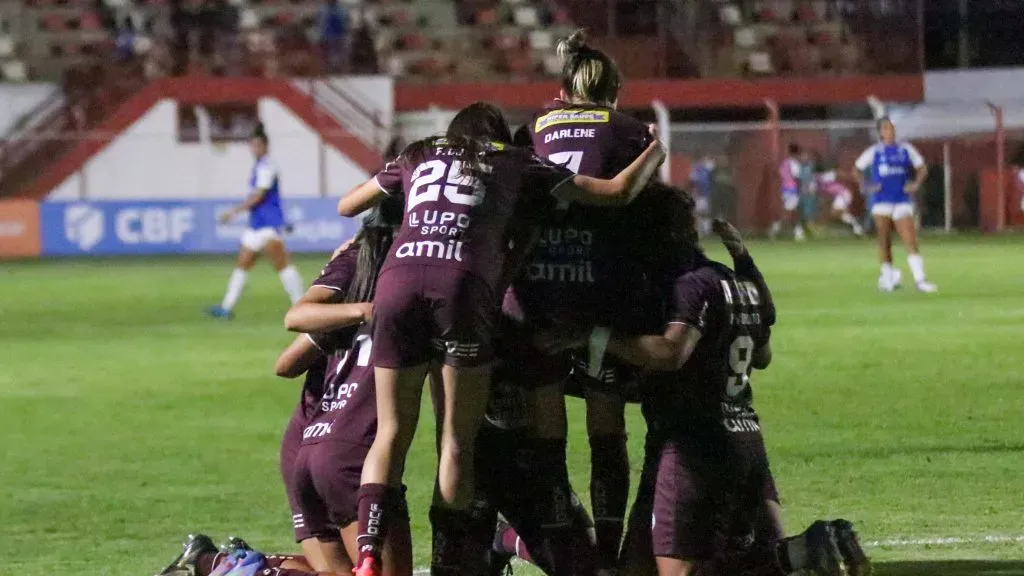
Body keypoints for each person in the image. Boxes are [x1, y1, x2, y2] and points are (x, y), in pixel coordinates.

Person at [336, 101, 664, 576]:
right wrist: (654, 149)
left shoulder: (419, 152)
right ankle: (453, 554)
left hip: (398, 280)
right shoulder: (514, 160)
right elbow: (614, 192)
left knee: (391, 432)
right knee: (455, 442)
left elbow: (348, 205)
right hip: (461, 287)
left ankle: (367, 553)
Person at [514, 29, 662, 574]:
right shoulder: (629, 131)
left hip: (538, 290)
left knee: (549, 434)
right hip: (601, 288)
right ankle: (606, 550)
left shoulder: (533, 128)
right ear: (613, 89)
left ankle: (559, 548)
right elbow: (647, 211)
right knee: (607, 430)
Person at [208, 123, 305, 319]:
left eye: (258, 145)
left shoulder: (268, 167)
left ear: (266, 147)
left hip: (269, 225)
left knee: (282, 265)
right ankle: (226, 308)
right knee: (242, 264)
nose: (255, 149)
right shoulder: (260, 166)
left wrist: (234, 211)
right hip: (256, 225)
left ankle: (302, 306)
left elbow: (259, 196)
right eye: (252, 145)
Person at [854, 117, 937, 293]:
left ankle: (920, 280)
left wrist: (915, 184)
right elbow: (856, 169)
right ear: (880, 133)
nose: (890, 132)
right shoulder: (874, 151)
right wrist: (867, 185)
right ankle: (888, 277)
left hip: (901, 200)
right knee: (884, 240)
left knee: (910, 238)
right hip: (881, 200)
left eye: (891, 128)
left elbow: (922, 168)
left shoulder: (905, 149)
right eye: (885, 129)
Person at [813, 159, 864, 237]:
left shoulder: (824, 176)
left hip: (843, 194)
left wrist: (854, 178)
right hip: (841, 195)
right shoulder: (817, 179)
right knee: (836, 214)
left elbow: (837, 173)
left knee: (836, 212)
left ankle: (857, 226)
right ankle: (856, 227)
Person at [772, 144, 805, 241]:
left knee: (792, 211)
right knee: (790, 212)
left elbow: (779, 175)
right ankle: (777, 228)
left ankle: (797, 230)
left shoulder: (784, 163)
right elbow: (797, 177)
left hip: (785, 190)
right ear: (797, 153)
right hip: (792, 190)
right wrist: (800, 189)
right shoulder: (794, 163)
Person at [689, 154, 716, 237]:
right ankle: (702, 231)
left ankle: (706, 231)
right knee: (700, 213)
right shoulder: (697, 170)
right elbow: (693, 182)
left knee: (704, 213)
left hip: (705, 194)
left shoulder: (704, 169)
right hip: (699, 195)